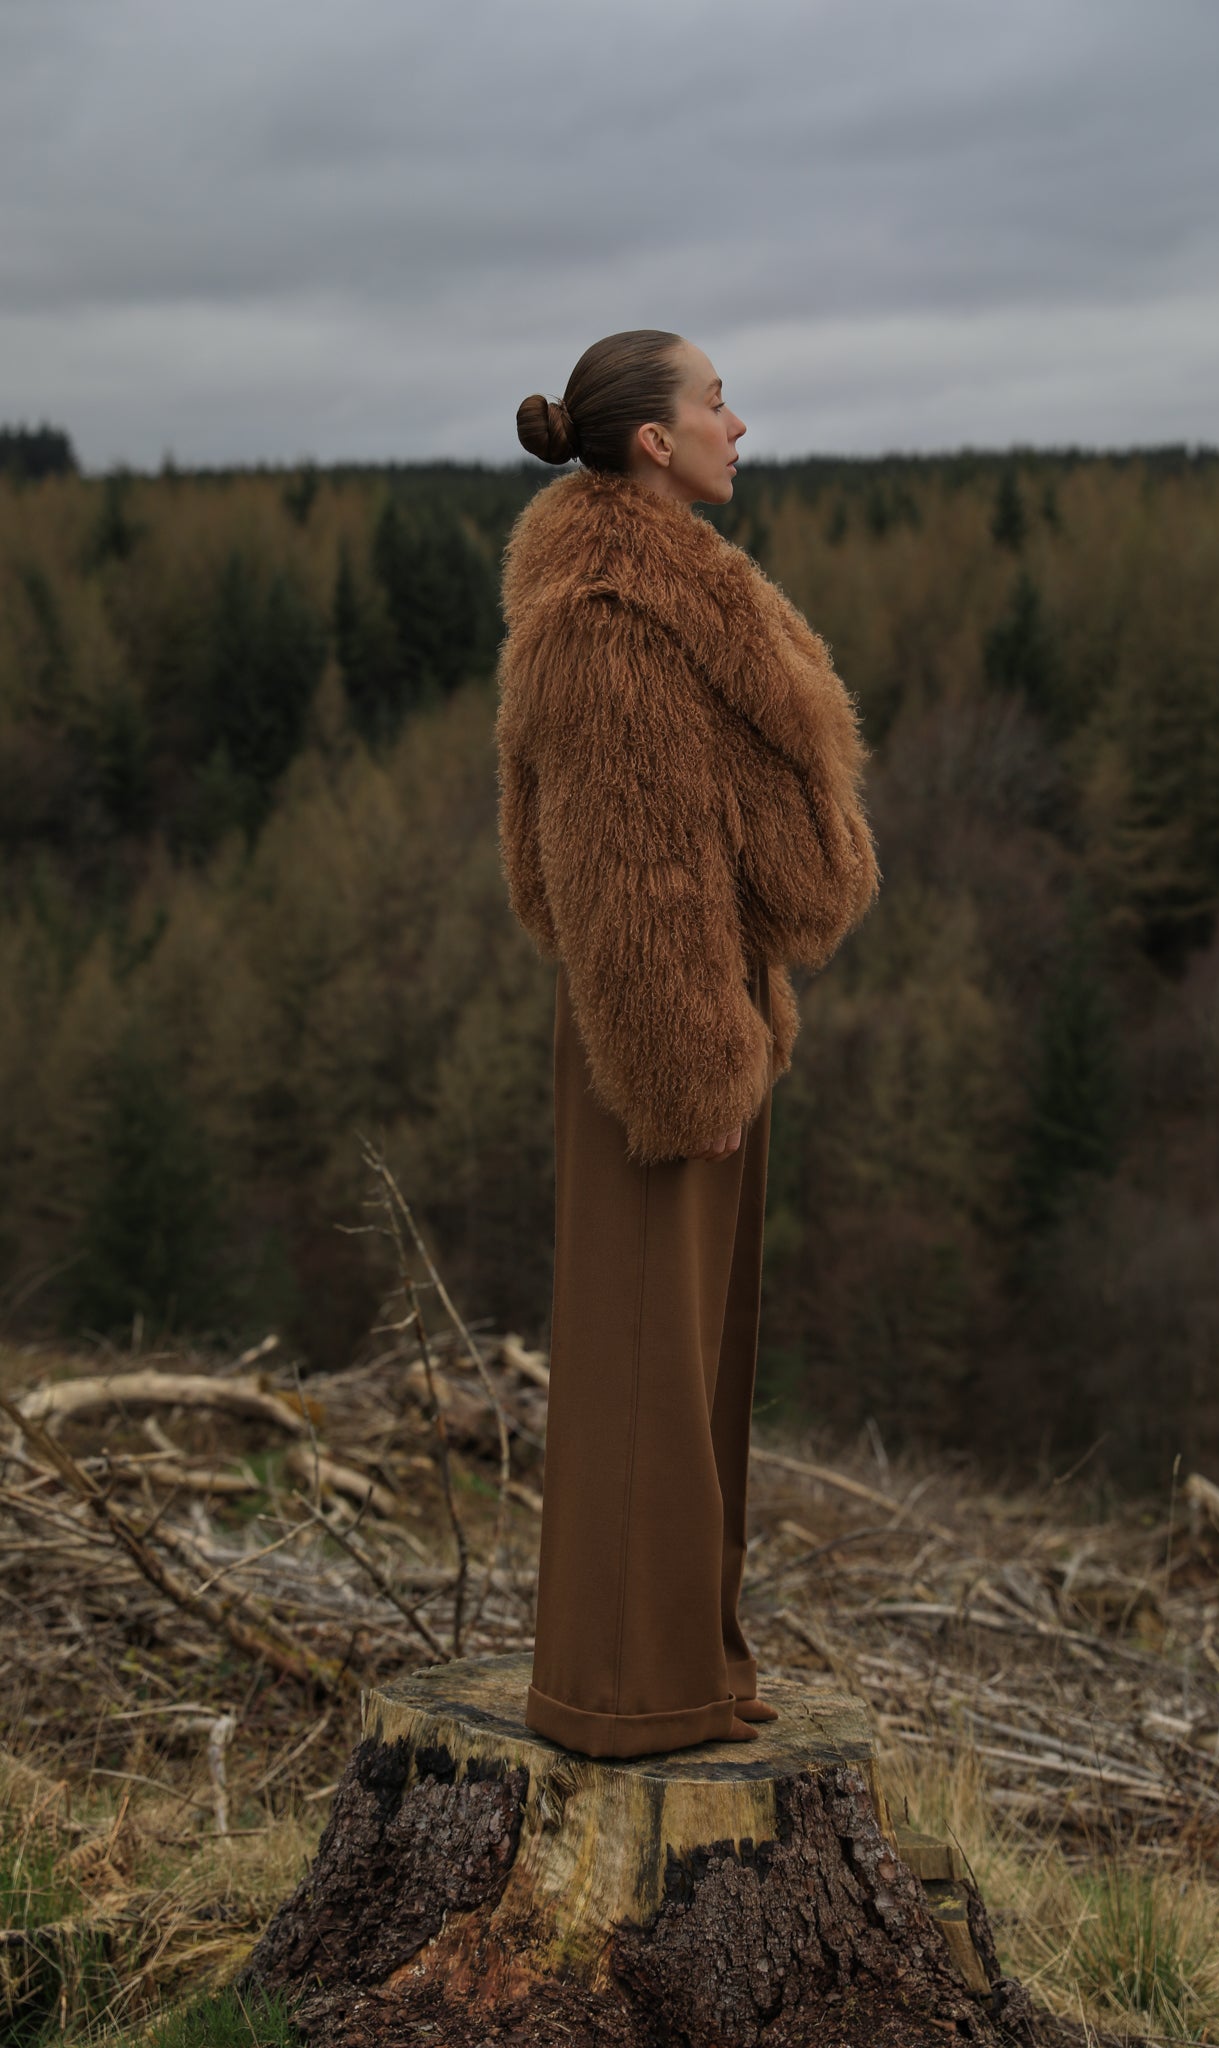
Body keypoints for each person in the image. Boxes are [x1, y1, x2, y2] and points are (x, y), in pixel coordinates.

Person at [495, 329, 878, 1759]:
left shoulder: (671, 592)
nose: (737, 420)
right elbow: (627, 870)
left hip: (714, 1003)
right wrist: (682, 1066)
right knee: (645, 1356)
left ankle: (681, 1672)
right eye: (714, 399)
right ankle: (622, 1695)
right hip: (655, 1026)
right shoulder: (605, 616)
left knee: (692, 1359)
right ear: (651, 440)